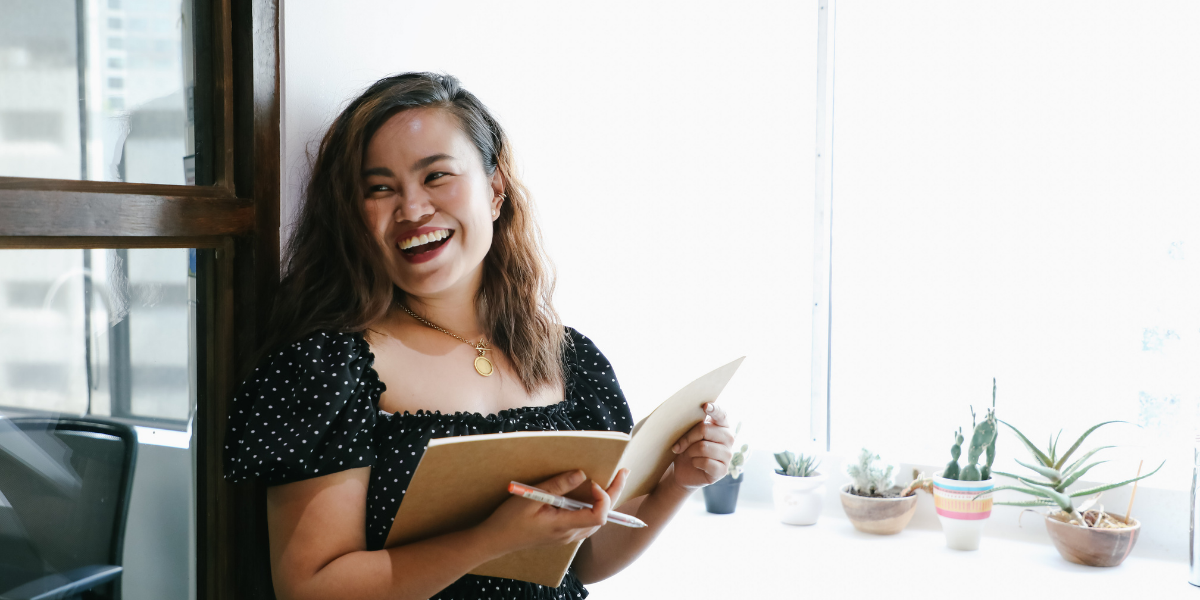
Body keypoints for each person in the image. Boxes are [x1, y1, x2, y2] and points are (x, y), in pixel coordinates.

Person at [223, 72, 735, 600]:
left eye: (437, 176)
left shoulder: (571, 358)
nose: (413, 209)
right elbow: (311, 587)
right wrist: (490, 539)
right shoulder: (329, 367)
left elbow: (583, 561)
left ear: (495, 190)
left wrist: (677, 482)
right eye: (380, 188)